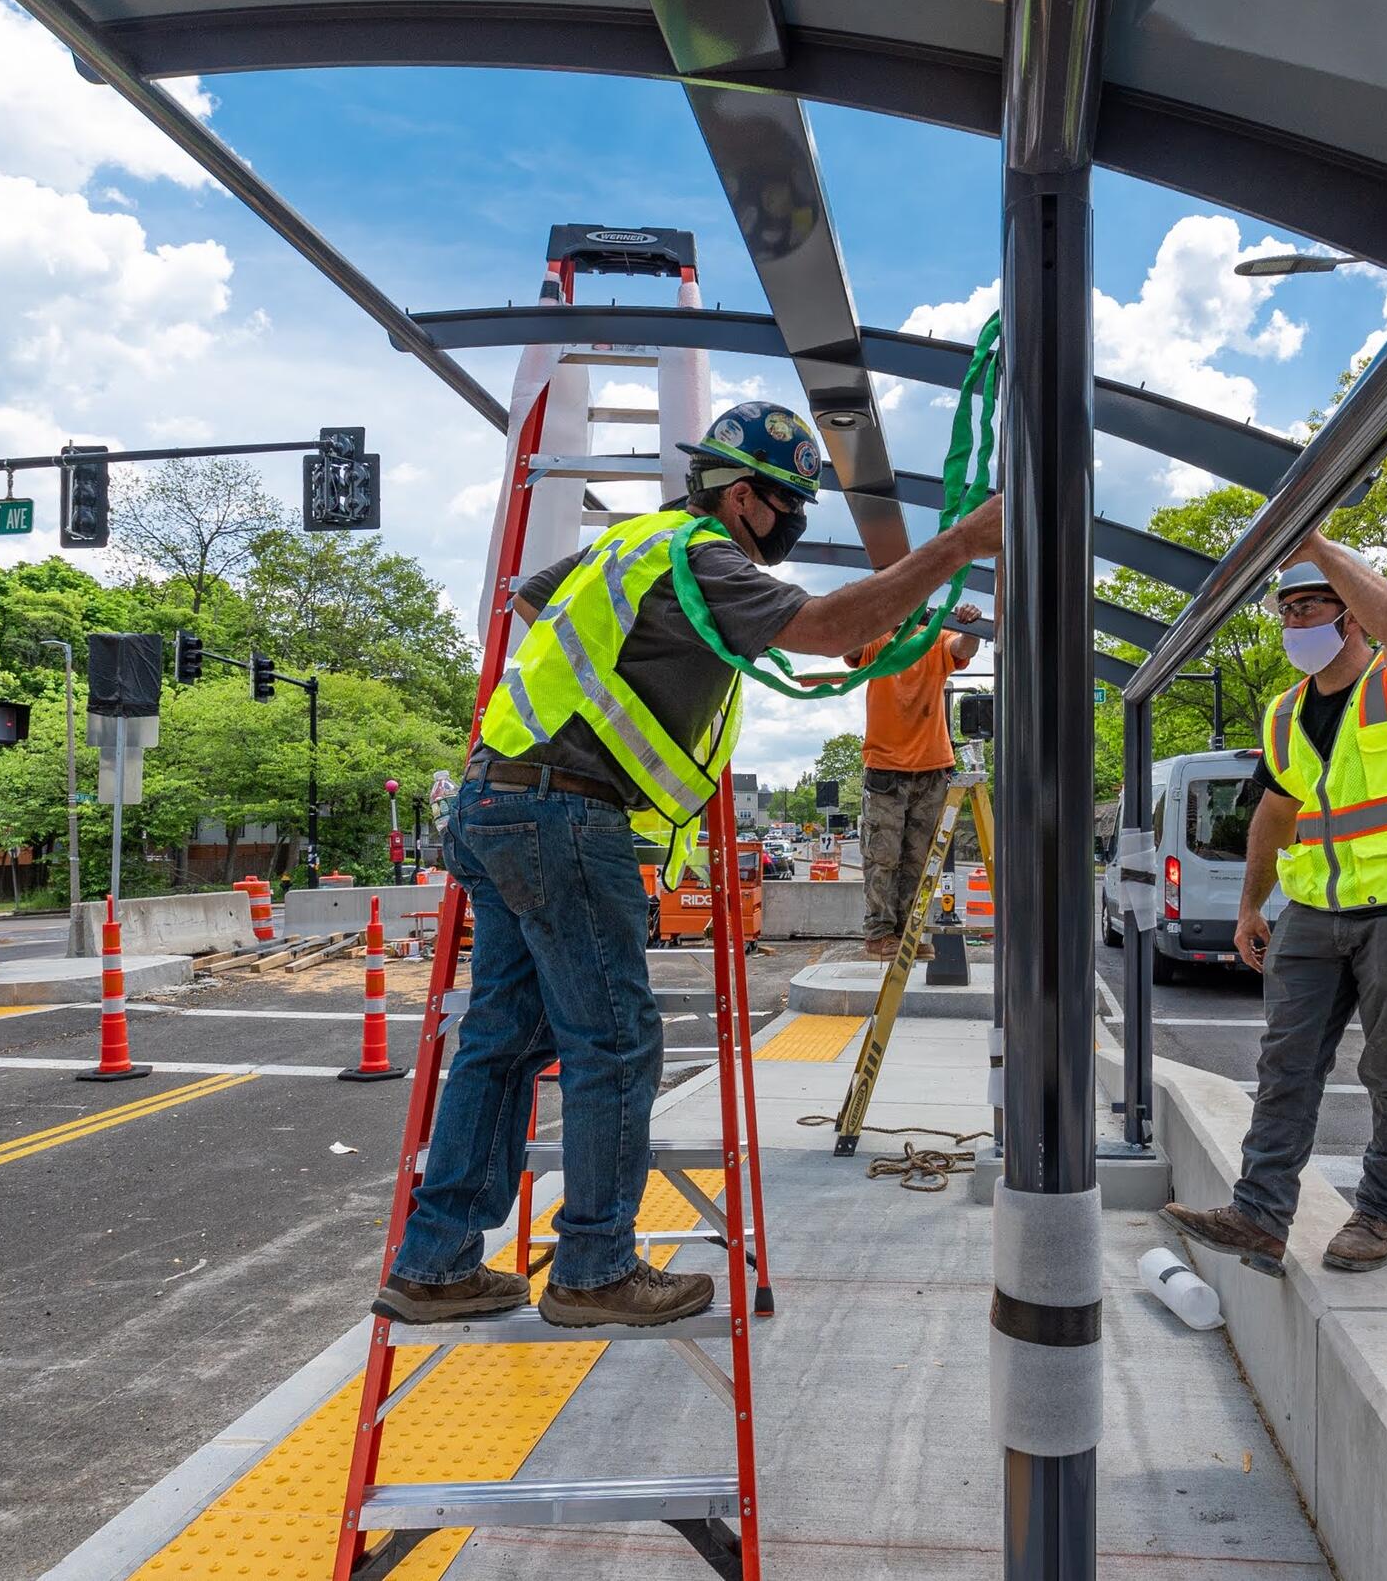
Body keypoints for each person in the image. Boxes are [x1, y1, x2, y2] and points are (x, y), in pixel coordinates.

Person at [378, 401, 1004, 1329]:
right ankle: (594, 1268)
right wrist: (956, 545)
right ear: (744, 498)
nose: (793, 525)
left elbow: (530, 597)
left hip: (494, 799)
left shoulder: (633, 546)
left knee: (505, 1038)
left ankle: (435, 1265)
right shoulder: (704, 557)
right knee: (616, 1042)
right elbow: (830, 630)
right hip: (563, 811)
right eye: (789, 505)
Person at [1163, 532, 1387, 1276]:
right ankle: (1260, 1213)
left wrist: (1313, 536)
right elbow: (1275, 815)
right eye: (1285, 612)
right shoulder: (1283, 713)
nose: (1293, 624)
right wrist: (1253, 905)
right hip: (1312, 912)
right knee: (1285, 1064)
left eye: (1309, 606)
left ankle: (1380, 1215)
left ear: (1351, 615)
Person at [848, 599, 983, 959]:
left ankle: (907, 932)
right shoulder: (877, 642)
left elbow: (963, 647)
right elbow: (850, 647)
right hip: (886, 768)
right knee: (883, 854)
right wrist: (850, 612)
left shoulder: (936, 638)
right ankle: (879, 934)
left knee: (918, 859)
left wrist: (970, 624)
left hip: (931, 766)